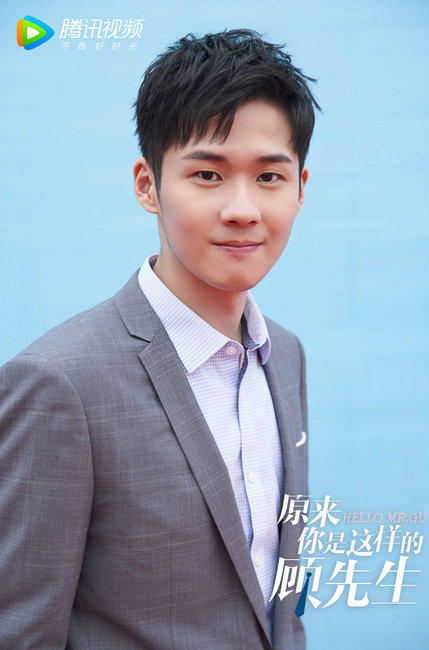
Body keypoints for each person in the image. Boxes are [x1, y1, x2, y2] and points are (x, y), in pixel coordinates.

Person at [0, 29, 319, 649]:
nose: (243, 209)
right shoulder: (60, 384)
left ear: (301, 188)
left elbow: (277, 600)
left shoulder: (286, 355)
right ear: (148, 185)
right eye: (208, 174)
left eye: (269, 177)